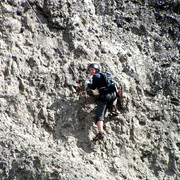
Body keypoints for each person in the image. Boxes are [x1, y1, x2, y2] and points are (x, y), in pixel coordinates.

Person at [84, 63, 117, 141]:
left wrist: (87, 83)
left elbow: (93, 87)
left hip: (104, 96)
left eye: (92, 69)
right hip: (113, 95)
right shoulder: (104, 75)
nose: (91, 71)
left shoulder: (95, 76)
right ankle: (113, 107)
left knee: (99, 115)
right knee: (111, 97)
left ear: (96, 70)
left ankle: (100, 132)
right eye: (90, 70)